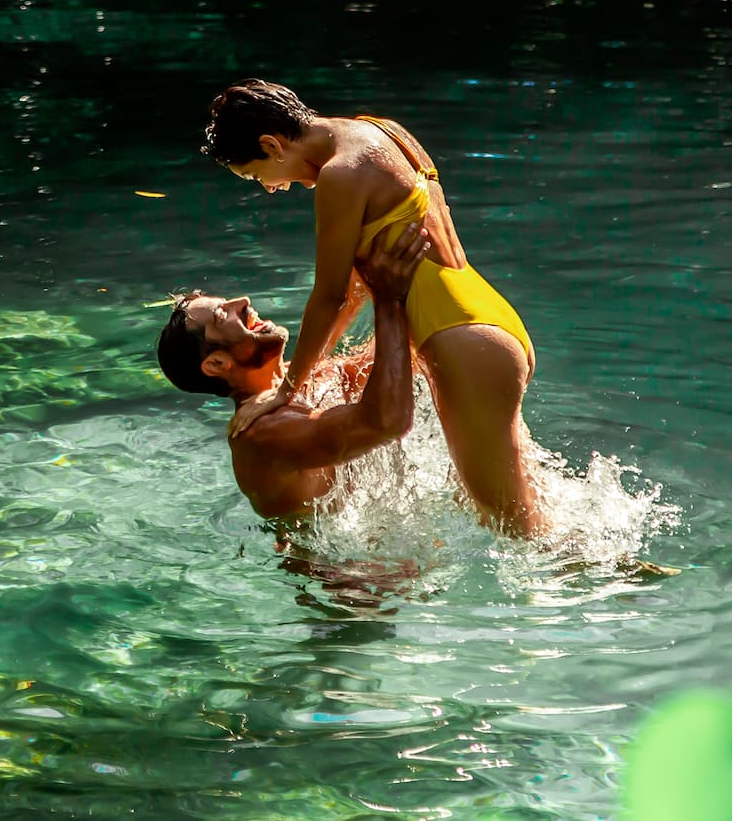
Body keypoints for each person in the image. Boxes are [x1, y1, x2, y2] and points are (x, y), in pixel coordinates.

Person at [201, 79, 543, 537]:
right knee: (507, 500)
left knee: (514, 527)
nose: (269, 188)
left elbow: (330, 296)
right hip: (485, 317)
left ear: (271, 144)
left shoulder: (341, 174)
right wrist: (310, 369)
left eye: (257, 174)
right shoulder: (382, 130)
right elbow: (360, 286)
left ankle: (615, 580)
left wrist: (287, 390)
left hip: (463, 343)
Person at [156, 222, 431, 521]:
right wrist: (390, 301)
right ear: (217, 364)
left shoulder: (299, 378)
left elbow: (395, 351)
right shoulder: (262, 436)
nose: (244, 302)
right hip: (342, 566)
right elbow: (388, 421)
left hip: (385, 543)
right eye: (224, 315)